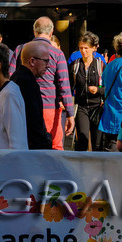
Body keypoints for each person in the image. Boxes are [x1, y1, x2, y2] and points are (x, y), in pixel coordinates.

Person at [22, 18, 76, 146]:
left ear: (34, 31)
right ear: (51, 32)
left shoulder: (21, 50)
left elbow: (11, 77)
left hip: (24, 105)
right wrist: (70, 114)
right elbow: (64, 85)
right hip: (49, 106)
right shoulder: (57, 54)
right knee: (54, 145)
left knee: (26, 144)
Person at [9, 39, 55, 150]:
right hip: (30, 148)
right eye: (45, 61)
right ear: (32, 61)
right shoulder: (27, 83)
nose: (48, 66)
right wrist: (44, 144)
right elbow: (33, 121)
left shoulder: (18, 77)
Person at [69, 32, 105, 151]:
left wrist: (98, 90)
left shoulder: (100, 65)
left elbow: (108, 88)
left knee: (97, 143)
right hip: (81, 107)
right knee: (82, 140)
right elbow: (68, 87)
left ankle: (97, 162)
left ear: (94, 48)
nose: (83, 51)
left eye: (86, 48)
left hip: (97, 107)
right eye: (81, 48)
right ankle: (81, 162)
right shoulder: (75, 65)